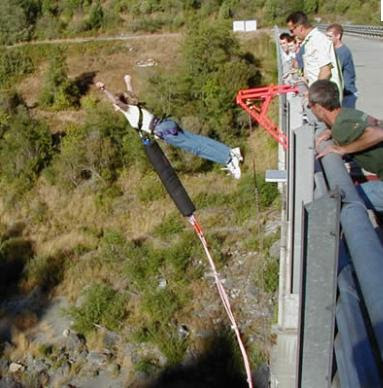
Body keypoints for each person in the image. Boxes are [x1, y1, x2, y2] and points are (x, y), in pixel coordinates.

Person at [95, 75, 243, 179]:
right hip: (167, 123)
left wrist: (104, 90)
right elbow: (130, 95)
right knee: (198, 140)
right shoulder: (134, 105)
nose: (114, 108)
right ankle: (230, 151)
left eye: (115, 106)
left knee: (196, 148)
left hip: (163, 131)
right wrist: (127, 81)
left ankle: (228, 160)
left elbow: (117, 101)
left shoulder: (128, 110)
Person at [308, 79, 383, 212]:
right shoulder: (346, 114)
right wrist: (330, 130)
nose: (310, 109)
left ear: (319, 107)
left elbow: (378, 133)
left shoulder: (342, 126)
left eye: (310, 106)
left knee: (345, 201)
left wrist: (343, 149)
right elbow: (374, 123)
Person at [286, 11, 343, 99]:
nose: (292, 34)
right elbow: (326, 66)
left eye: (292, 30)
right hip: (321, 94)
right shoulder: (310, 42)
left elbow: (326, 70)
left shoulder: (318, 40)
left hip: (325, 97)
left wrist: (313, 93)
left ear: (300, 27)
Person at [326, 23, 358, 108]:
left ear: (338, 36)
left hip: (347, 94)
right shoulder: (333, 50)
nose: (327, 39)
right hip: (340, 93)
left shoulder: (343, 52)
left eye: (330, 36)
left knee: (346, 120)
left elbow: (334, 69)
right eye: (326, 37)